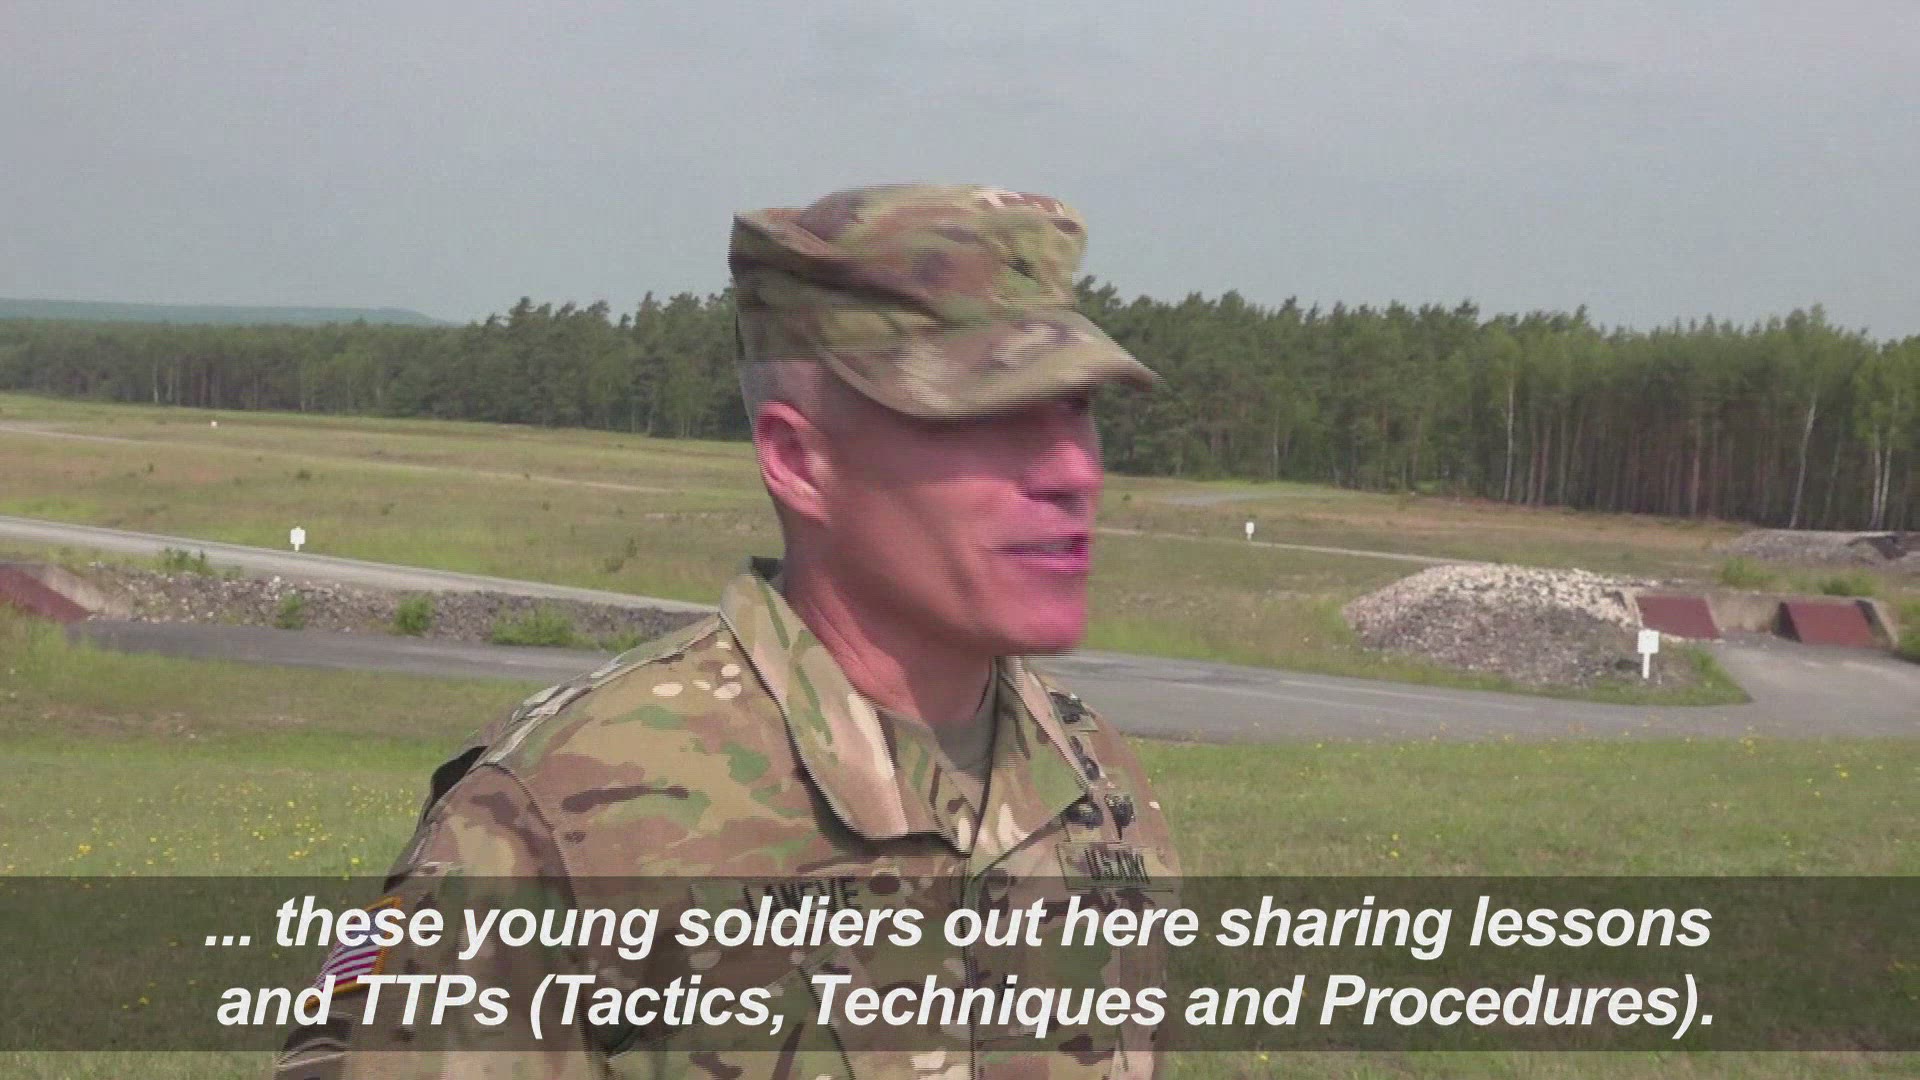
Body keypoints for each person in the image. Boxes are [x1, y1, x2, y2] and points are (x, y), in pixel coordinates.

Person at [272, 183, 1182, 1078]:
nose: (1073, 471)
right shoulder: (568, 813)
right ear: (799, 459)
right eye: (990, 414)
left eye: (1077, 409)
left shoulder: (1094, 780)